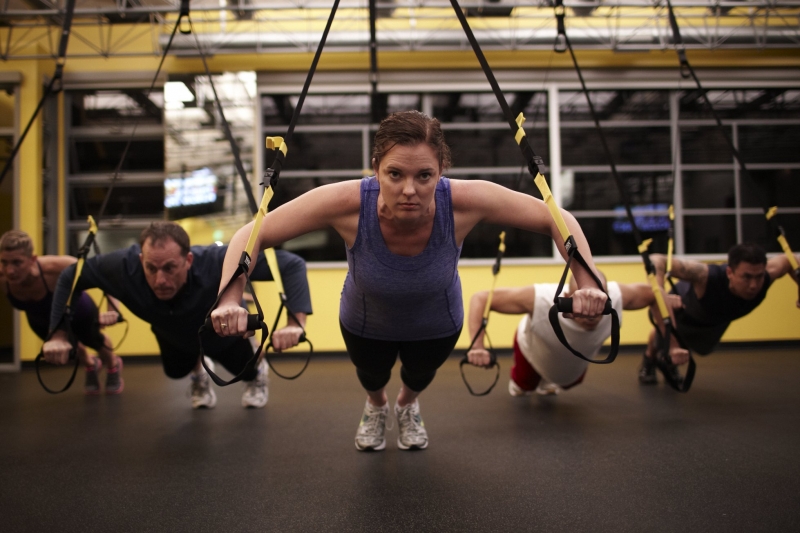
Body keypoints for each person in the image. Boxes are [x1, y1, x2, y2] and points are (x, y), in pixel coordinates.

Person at [210, 110, 609, 451]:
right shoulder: (346, 202)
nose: (409, 190)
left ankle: (406, 405)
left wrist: (587, 281)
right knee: (372, 376)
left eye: (424, 176)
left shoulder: (467, 200)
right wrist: (230, 296)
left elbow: (558, 218)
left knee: (419, 376)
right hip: (366, 321)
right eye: (395, 174)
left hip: (437, 321)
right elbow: (252, 233)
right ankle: (377, 405)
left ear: (442, 171)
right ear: (375, 168)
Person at [42, 221, 312, 409]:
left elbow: (290, 264)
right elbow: (70, 275)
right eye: (151, 268)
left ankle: (257, 374)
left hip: (221, 334)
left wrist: (295, 323)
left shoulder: (215, 260)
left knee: (246, 371)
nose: (160, 279)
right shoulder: (121, 269)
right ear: (140, 261)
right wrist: (58, 334)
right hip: (171, 334)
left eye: (170, 268)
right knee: (175, 372)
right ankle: (199, 374)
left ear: (189, 260)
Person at [466, 272, 683, 396]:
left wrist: (672, 345)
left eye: (598, 302)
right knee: (525, 386)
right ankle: (526, 381)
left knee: (568, 381)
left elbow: (657, 294)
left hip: (572, 357)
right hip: (533, 344)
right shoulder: (542, 298)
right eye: (581, 301)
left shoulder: (617, 297)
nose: (591, 312)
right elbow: (481, 298)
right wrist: (477, 347)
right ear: (567, 295)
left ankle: (548, 381)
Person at [639, 242, 800, 384]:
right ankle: (649, 359)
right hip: (683, 310)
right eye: (746, 277)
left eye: (758, 277)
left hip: (715, 320)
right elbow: (656, 259)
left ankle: (669, 363)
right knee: (663, 339)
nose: (753, 285)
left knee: (699, 348)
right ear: (729, 272)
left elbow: (790, 260)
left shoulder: (768, 276)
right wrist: (660, 294)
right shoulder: (706, 275)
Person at [1, 230, 123, 394]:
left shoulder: (56, 267)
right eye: (4, 262)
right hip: (40, 319)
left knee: (96, 341)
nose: (9, 270)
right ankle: (90, 364)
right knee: (72, 351)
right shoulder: (2, 277)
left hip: (79, 311)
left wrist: (112, 310)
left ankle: (113, 367)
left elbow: (106, 278)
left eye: (17, 262)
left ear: (32, 260)